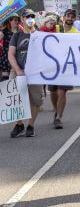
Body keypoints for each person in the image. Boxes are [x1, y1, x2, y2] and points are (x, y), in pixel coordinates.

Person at [8, 9, 43, 138]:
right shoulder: (17, 36)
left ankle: (30, 126)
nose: (30, 19)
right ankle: (19, 124)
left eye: (32, 16)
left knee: (35, 100)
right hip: (18, 71)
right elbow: (11, 55)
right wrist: (17, 70)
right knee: (15, 99)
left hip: (35, 73)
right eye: (27, 16)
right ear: (22, 19)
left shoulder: (40, 35)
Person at [48, 9, 79, 129]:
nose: (70, 18)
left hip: (67, 66)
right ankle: (56, 111)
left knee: (62, 91)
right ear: (64, 17)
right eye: (68, 16)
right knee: (53, 91)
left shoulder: (76, 33)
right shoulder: (55, 28)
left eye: (72, 17)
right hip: (53, 65)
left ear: (74, 19)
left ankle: (59, 117)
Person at [0, 13, 20, 82]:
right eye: (15, 20)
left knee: (16, 76)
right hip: (6, 57)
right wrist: (1, 46)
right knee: (5, 77)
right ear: (9, 21)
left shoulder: (20, 31)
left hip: (17, 57)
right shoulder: (5, 31)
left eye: (17, 20)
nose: (17, 22)